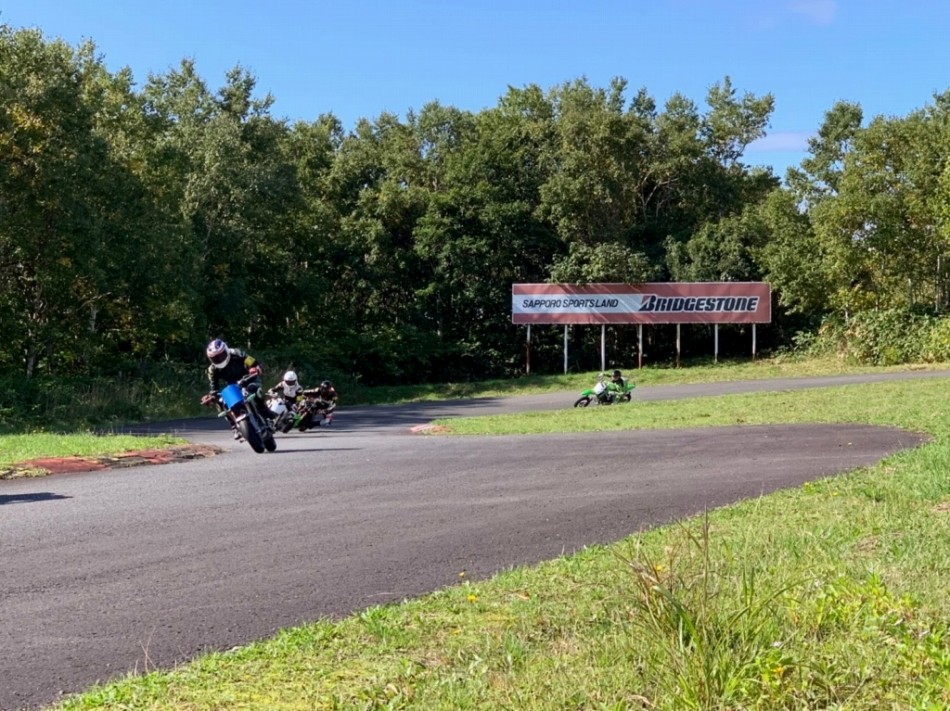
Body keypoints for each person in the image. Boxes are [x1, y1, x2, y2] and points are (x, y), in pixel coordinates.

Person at [202, 339, 277, 428]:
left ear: (226, 350)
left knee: (254, 389)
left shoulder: (237, 353)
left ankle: (264, 409)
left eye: (221, 355)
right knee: (220, 402)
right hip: (232, 386)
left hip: (248, 378)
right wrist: (211, 396)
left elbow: (253, 362)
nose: (219, 359)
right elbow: (214, 387)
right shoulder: (212, 370)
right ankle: (233, 424)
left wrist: (255, 368)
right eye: (215, 358)